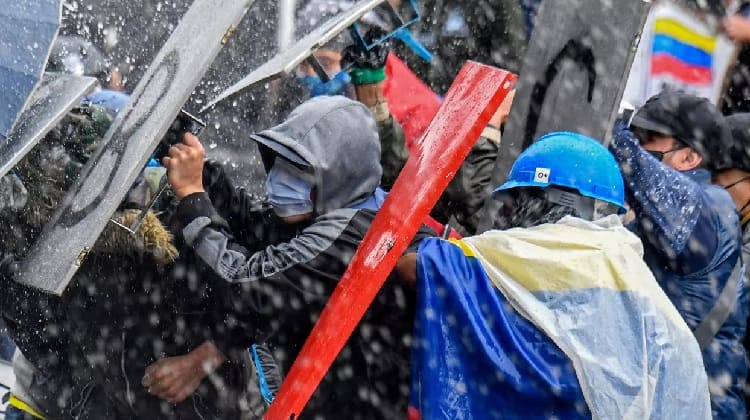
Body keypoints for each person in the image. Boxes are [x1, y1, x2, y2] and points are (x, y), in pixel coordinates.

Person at [145, 96, 432, 418]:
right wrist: (179, 147)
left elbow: (244, 283)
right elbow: (251, 222)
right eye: (279, 162)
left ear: (338, 174)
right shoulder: (350, 205)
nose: (280, 178)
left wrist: (192, 197)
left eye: (298, 170)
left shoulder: (349, 240)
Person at [397, 132, 711, 419]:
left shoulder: (516, 254)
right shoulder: (639, 283)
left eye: (516, 201)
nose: (508, 215)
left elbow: (417, 267)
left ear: (545, 198)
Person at [611, 90, 747, 419]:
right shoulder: (658, 218)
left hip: (697, 408)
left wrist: (608, 120)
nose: (639, 144)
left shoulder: (709, 208)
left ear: (688, 158)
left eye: (648, 137)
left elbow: (627, 156)